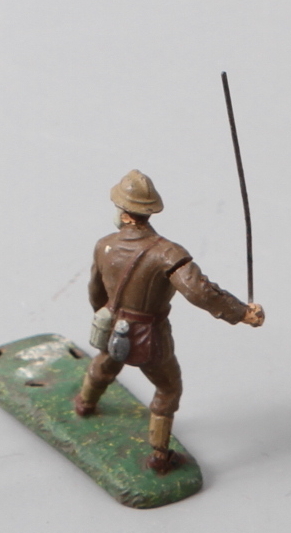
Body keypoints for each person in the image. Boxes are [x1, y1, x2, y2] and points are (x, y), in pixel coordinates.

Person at [74, 170, 264, 473]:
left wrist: (105, 315)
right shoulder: (168, 254)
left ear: (123, 212)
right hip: (150, 336)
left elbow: (95, 292)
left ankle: (85, 402)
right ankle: (159, 455)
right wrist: (242, 312)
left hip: (112, 325)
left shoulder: (103, 245)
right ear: (149, 211)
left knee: (106, 362)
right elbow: (200, 292)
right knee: (167, 388)